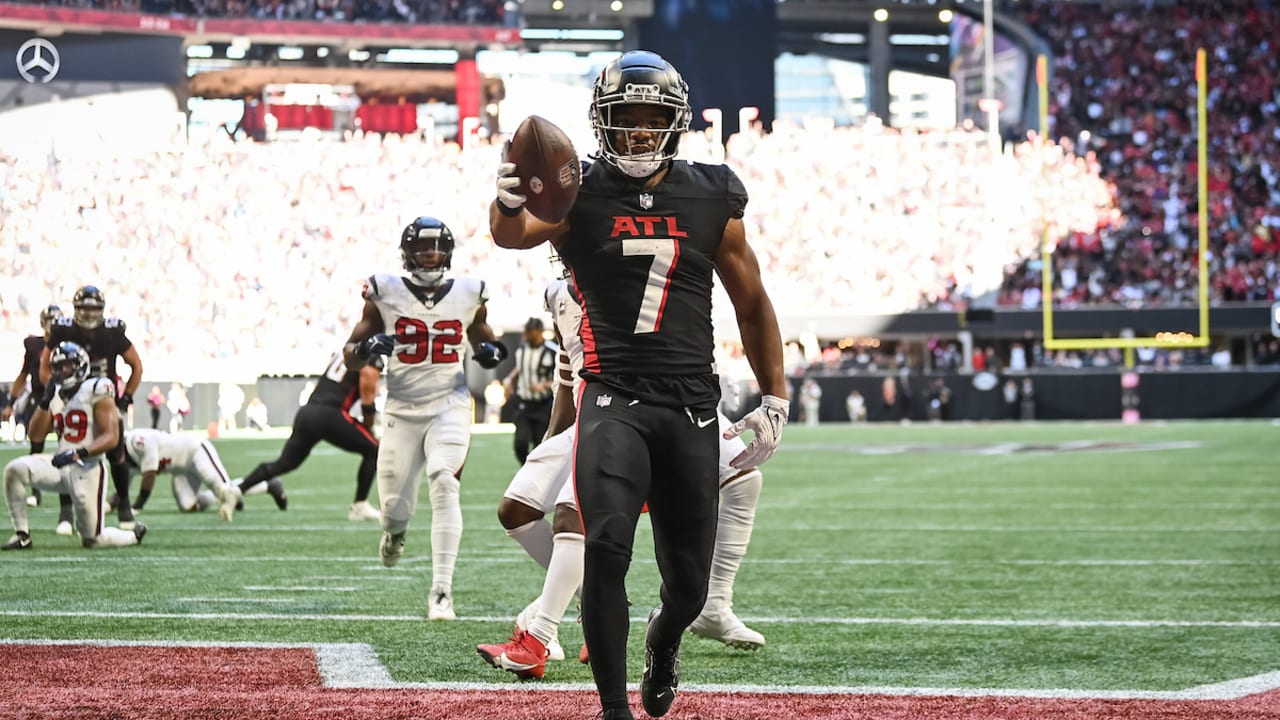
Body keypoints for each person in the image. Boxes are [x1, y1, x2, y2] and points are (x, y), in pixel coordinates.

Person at [489, 50, 789, 720]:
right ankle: (612, 711)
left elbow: (751, 299)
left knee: (686, 588)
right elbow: (514, 234)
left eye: (654, 118)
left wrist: (775, 397)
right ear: (603, 122)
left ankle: (664, 640)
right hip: (611, 398)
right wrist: (507, 199)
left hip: (690, 405)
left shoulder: (712, 192)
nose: (641, 132)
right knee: (604, 546)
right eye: (627, 119)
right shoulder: (578, 192)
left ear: (676, 122)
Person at [477, 271, 770, 682]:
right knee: (516, 509)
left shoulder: (628, 274)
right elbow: (568, 374)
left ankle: (540, 636)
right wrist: (551, 442)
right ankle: (591, 602)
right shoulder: (559, 294)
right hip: (595, 415)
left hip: (651, 406)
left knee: (740, 478)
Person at [343, 215, 507, 621]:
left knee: (444, 482)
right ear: (407, 254)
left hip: (449, 402)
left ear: (449, 253)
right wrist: (367, 347)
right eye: (422, 248)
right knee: (394, 510)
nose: (431, 255)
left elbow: (487, 339)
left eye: (437, 248)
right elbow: (348, 351)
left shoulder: (471, 292)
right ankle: (395, 534)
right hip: (400, 408)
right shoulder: (384, 291)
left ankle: (441, 592)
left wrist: (493, 352)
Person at [3, 341, 147, 550]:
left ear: (80, 364)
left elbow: (111, 437)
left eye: (67, 365)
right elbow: (35, 435)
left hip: (88, 469)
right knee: (14, 470)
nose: (63, 370)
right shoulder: (56, 394)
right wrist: (45, 401)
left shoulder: (97, 387)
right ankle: (22, 535)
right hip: (61, 464)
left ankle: (132, 536)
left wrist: (79, 452)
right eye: (59, 366)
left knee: (91, 540)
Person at [40, 286, 144, 533]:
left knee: (116, 451)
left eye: (94, 308)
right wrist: (55, 391)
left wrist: (125, 397)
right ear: (75, 309)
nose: (88, 313)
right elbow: (45, 367)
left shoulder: (112, 332)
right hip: (72, 399)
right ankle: (66, 513)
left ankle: (124, 505)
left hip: (102, 398)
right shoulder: (63, 329)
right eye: (84, 307)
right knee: (65, 452)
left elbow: (136, 366)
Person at [234, 350, 379, 520]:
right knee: (374, 450)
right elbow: (368, 395)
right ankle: (360, 505)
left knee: (285, 463)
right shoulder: (370, 353)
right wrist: (370, 426)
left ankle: (236, 490)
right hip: (330, 414)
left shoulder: (346, 350)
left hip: (308, 412)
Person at [122, 428, 241, 521]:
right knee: (188, 505)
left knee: (223, 488)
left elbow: (150, 474)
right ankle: (216, 496)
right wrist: (106, 507)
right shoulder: (125, 458)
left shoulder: (139, 441)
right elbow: (121, 491)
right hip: (181, 472)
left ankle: (245, 485)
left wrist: (137, 506)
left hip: (195, 451)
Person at [3, 305, 62, 446]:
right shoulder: (34, 345)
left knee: (67, 441)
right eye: (48, 319)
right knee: (36, 442)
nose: (51, 323)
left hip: (62, 397)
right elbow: (23, 375)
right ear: (42, 322)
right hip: (39, 397)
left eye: (55, 319)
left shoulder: (67, 344)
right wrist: (10, 404)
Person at [503, 317, 558, 463]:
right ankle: (526, 469)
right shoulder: (522, 350)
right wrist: (510, 380)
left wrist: (546, 385)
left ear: (539, 331)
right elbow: (520, 369)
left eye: (529, 331)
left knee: (540, 445)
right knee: (520, 444)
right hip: (524, 403)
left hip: (543, 405)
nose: (525, 334)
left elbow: (564, 377)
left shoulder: (552, 351)